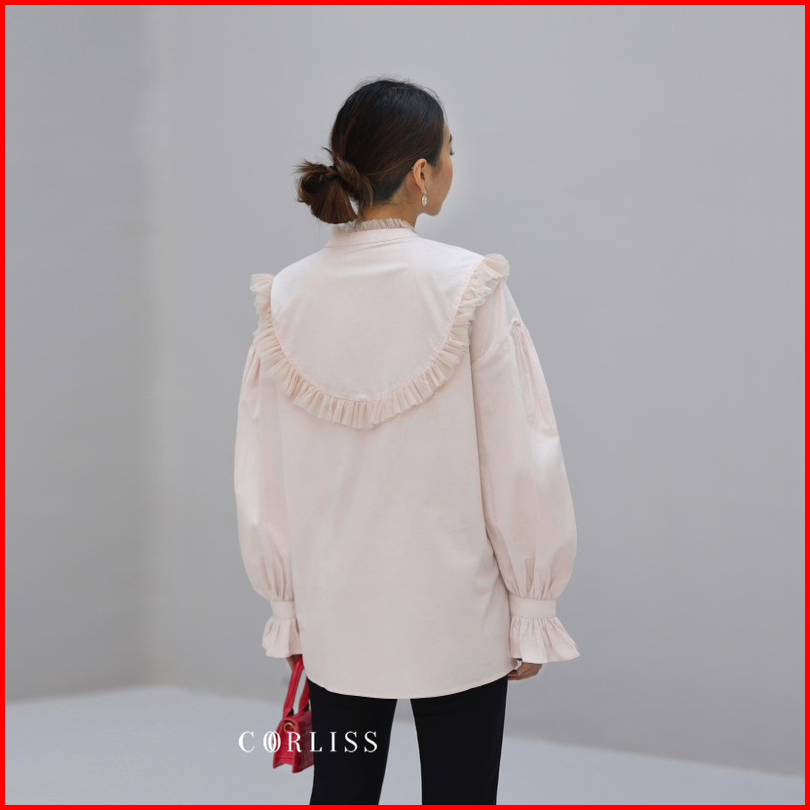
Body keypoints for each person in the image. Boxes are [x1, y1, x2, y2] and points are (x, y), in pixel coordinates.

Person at [233, 76, 580, 805]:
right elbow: (520, 459)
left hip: (335, 613)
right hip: (459, 613)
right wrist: (533, 606)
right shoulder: (469, 286)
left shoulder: (285, 296)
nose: (452, 164)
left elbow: (263, 475)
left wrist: (287, 607)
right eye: (449, 151)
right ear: (422, 173)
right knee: (460, 794)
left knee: (342, 792)